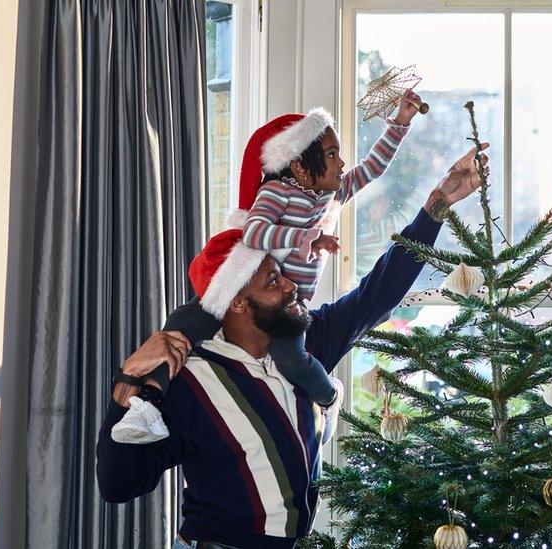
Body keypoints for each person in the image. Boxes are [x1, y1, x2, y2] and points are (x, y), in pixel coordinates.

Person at [96, 144, 489, 548]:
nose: (290, 286)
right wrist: (128, 380)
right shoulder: (189, 379)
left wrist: (439, 203)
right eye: (272, 281)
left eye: (282, 274)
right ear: (236, 302)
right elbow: (118, 484)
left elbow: (380, 290)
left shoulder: (306, 342)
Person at [111, 94, 426, 445]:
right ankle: (146, 407)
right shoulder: (278, 192)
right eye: (332, 155)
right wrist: (306, 237)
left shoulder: (331, 195)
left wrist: (400, 123)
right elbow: (255, 230)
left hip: (289, 309)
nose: (342, 164)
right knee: (179, 328)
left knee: (291, 360)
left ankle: (329, 398)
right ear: (300, 168)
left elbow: (371, 168)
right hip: (244, 294)